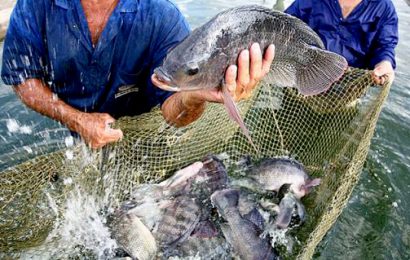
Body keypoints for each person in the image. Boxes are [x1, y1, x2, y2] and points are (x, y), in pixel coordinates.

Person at [1, 0, 275, 149]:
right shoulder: (35, 5)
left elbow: (174, 114)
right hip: (71, 126)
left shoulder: (163, 17)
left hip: (146, 133)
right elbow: (22, 78)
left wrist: (193, 95)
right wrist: (76, 119)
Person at [285, 0, 398, 85]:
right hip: (303, 81)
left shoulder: (384, 7)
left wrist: (384, 63)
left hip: (348, 89)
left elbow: (385, 45)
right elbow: (285, 25)